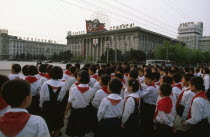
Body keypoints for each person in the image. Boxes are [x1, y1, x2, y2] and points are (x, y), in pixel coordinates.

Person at [65, 70, 94, 137]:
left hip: (75, 112)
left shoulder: (74, 89)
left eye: (77, 76)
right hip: (85, 112)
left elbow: (69, 102)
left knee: (71, 131)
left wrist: (66, 111)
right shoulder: (91, 90)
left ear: (80, 77)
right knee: (81, 132)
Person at [40, 66, 66, 137]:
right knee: (57, 126)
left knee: (48, 126)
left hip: (47, 106)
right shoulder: (63, 84)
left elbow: (42, 97)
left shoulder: (46, 83)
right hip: (58, 107)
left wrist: (41, 105)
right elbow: (63, 97)